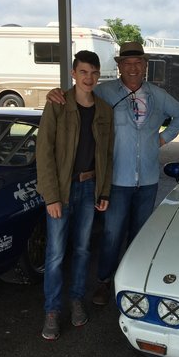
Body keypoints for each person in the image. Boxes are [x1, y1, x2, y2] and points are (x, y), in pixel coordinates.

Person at [46, 41, 179, 306]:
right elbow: (78, 97)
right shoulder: (105, 92)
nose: (133, 68)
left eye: (138, 63)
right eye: (127, 63)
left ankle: (134, 282)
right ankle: (104, 281)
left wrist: (162, 138)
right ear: (120, 66)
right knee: (112, 235)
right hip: (116, 179)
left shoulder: (158, 95)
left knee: (140, 234)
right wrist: (55, 94)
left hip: (147, 179)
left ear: (145, 66)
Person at [36, 50, 114, 340]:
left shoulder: (105, 110)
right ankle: (52, 311)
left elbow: (107, 154)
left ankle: (76, 300)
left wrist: (103, 189)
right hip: (62, 191)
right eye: (83, 72)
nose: (89, 78)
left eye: (94, 72)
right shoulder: (58, 105)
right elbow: (43, 152)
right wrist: (51, 196)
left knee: (82, 250)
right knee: (55, 254)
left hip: (89, 188)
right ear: (73, 73)